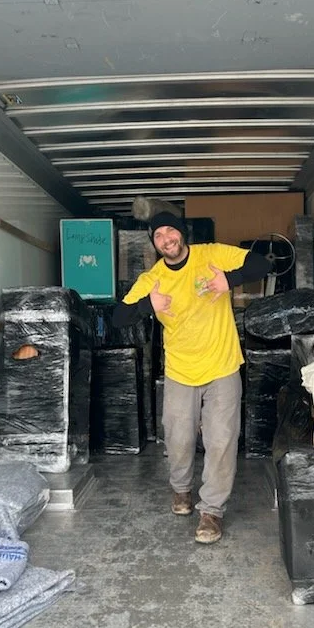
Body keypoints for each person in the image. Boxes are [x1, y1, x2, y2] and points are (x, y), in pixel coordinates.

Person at [113, 211, 271, 544]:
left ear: (182, 233)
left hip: (222, 366)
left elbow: (262, 264)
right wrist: (148, 305)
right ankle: (181, 490)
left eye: (171, 230)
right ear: (155, 244)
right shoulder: (153, 279)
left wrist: (229, 280)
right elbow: (118, 317)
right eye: (158, 235)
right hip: (181, 372)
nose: (167, 238)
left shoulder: (211, 254)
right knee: (178, 438)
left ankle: (212, 510)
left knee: (221, 440)